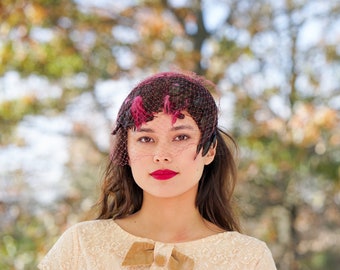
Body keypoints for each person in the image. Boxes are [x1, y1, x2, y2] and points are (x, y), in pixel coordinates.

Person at [38, 71, 277, 269]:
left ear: (210, 150)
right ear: (127, 152)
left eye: (180, 137)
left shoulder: (249, 258)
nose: (161, 155)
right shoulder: (81, 245)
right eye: (145, 139)